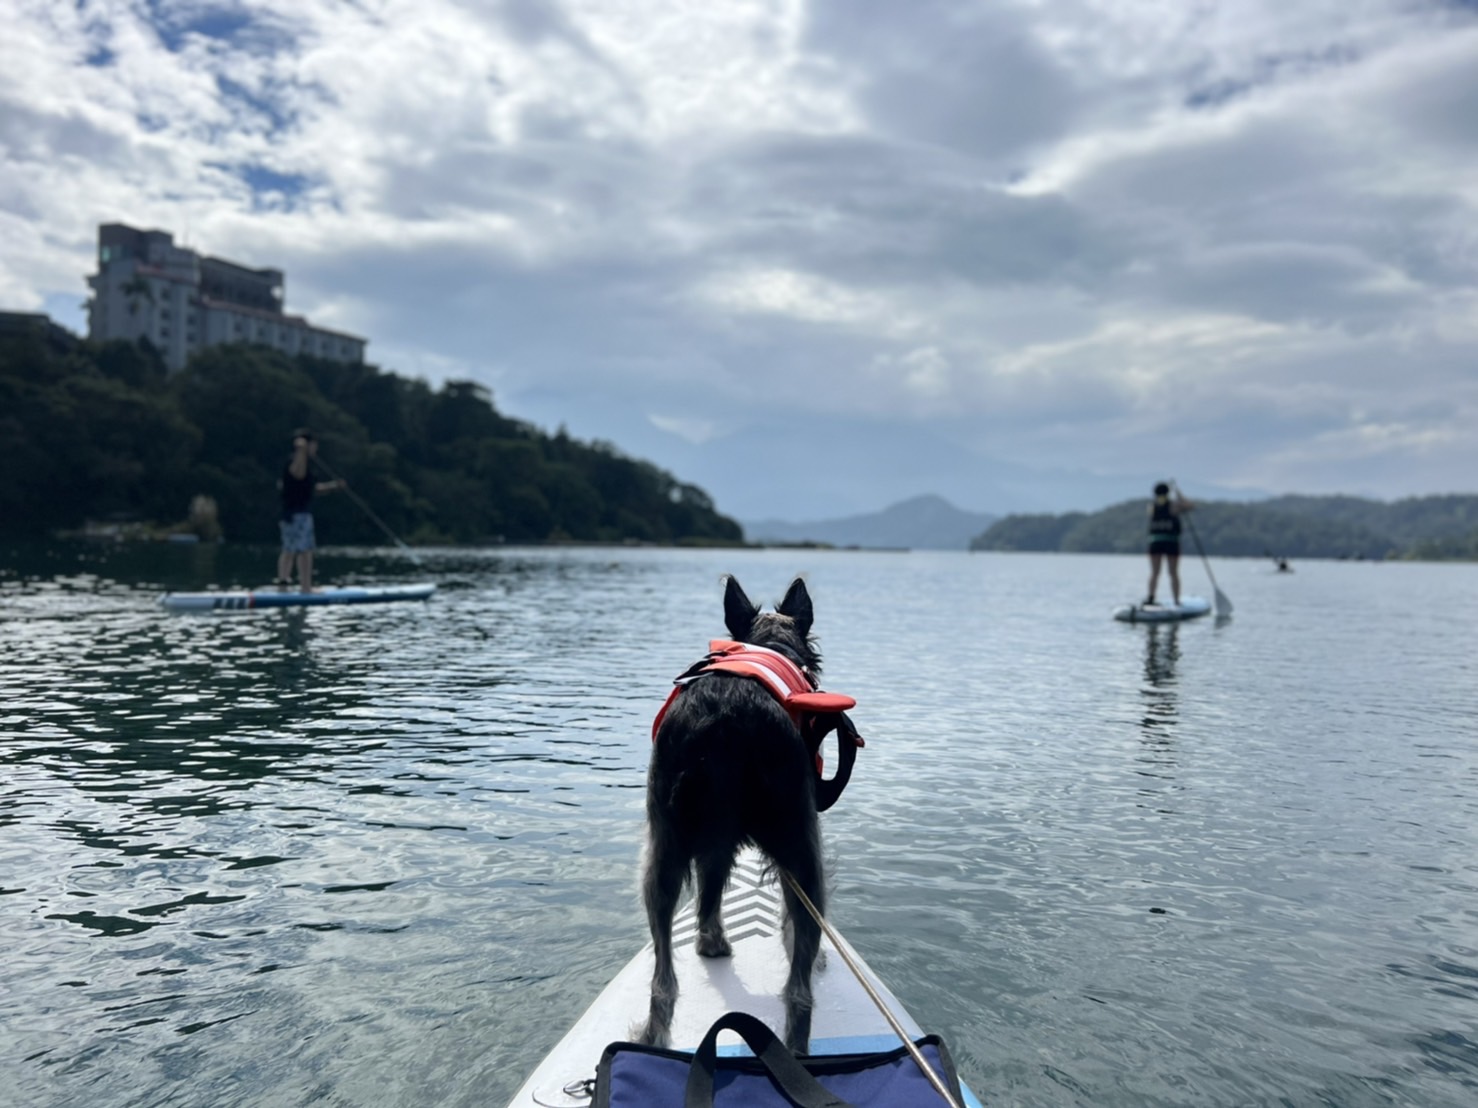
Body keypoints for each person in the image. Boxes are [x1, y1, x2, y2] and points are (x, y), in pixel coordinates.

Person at [276, 429, 345, 592]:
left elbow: (312, 488)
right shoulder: (296, 462)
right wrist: (302, 449)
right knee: (304, 552)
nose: (316, 449)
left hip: (294, 515)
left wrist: (334, 486)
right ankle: (304, 587)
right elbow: (298, 474)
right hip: (296, 515)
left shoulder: (305, 466)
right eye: (314, 446)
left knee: (290, 550)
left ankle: (283, 585)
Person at [1145, 481, 1193, 607]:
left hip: (1155, 542)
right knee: (1173, 573)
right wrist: (1178, 493)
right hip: (1170, 542)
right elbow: (1189, 506)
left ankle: (1151, 598)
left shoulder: (1152, 506)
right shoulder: (1173, 506)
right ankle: (1176, 600)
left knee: (1155, 572)